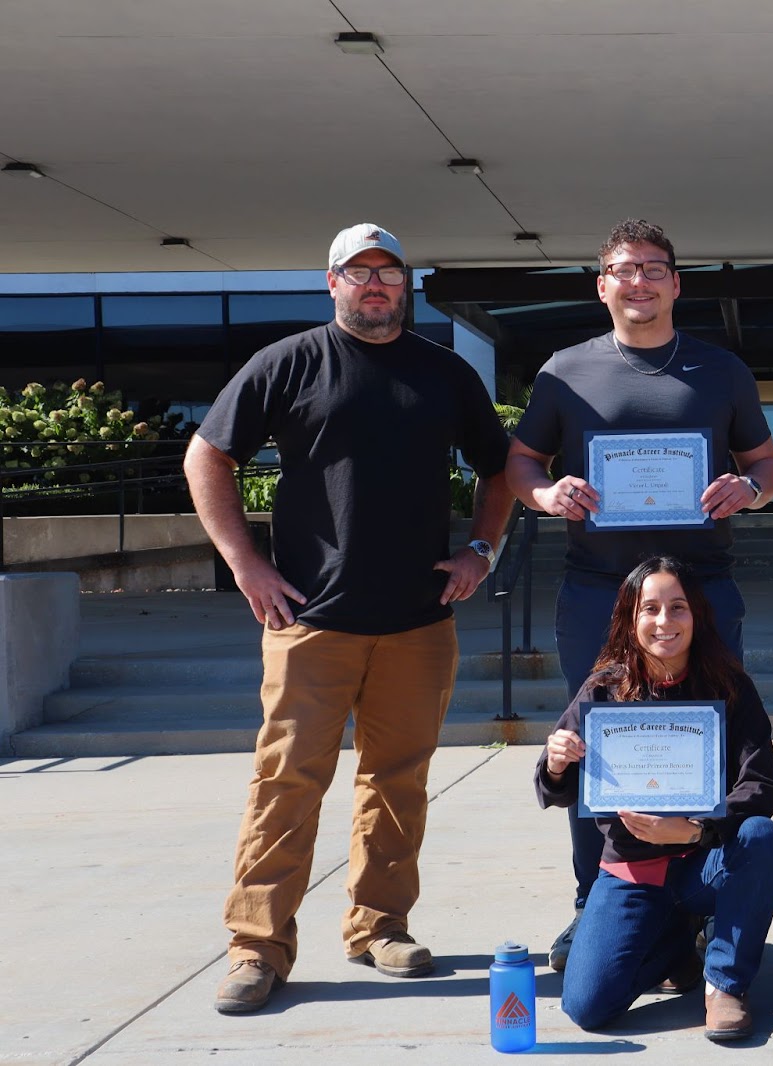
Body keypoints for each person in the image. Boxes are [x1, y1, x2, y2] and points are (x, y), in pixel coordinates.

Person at [186, 223, 514, 1013]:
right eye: (357, 272)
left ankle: (379, 925)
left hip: (418, 620)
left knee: (398, 783)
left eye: (388, 272)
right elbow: (208, 457)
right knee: (286, 784)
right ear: (330, 283)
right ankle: (257, 947)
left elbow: (499, 470)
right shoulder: (289, 362)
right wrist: (246, 565)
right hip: (311, 621)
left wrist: (480, 550)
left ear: (406, 285)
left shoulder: (445, 374)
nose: (374, 284)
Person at [507, 218, 773, 971]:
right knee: (592, 749)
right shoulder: (565, 371)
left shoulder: (720, 370)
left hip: (703, 589)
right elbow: (521, 465)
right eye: (624, 269)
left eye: (653, 268)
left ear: (674, 283)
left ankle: (704, 898)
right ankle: (593, 901)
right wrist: (546, 493)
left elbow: (767, 468)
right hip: (599, 591)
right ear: (603, 286)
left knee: (715, 742)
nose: (639, 281)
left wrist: (748, 488)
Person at [535, 556, 773, 1041]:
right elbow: (558, 788)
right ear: (630, 620)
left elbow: (761, 785)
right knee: (587, 1006)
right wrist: (556, 761)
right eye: (649, 609)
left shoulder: (730, 686)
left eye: (678, 608)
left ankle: (724, 984)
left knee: (762, 837)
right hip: (634, 871)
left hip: (706, 863)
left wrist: (698, 829)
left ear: (697, 615)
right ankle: (675, 945)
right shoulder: (605, 689)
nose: (664, 622)